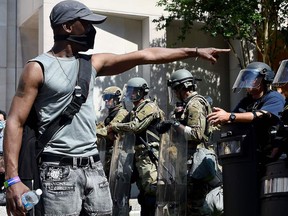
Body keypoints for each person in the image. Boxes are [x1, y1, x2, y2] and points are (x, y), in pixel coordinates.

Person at [3, 0, 230, 215]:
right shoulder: (38, 68)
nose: (92, 29)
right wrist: (13, 181)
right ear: (68, 27)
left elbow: (146, 54)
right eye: (87, 23)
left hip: (94, 166)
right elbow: (15, 122)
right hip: (57, 170)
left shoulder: (91, 63)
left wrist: (194, 51)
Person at [156, 69, 222, 215]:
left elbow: (196, 134)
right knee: (185, 206)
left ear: (182, 87)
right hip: (186, 161)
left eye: (174, 89)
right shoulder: (186, 104)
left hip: (196, 163)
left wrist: (175, 124)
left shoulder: (195, 105)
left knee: (194, 206)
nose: (173, 93)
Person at [108, 77, 165, 216]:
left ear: (141, 92)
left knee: (151, 193)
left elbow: (135, 126)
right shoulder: (136, 110)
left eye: (133, 92)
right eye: (129, 91)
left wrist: (114, 127)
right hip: (138, 156)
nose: (130, 95)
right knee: (144, 196)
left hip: (149, 156)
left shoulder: (149, 107)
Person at [207, 62, 285, 160]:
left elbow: (261, 114)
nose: (248, 81)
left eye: (252, 78)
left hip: (272, 157)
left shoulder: (274, 97)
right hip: (249, 154)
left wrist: (230, 116)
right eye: (247, 77)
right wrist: (221, 117)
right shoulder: (246, 101)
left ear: (264, 79)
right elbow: (233, 118)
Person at [96, 86, 128, 178]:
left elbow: (108, 129)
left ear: (117, 99)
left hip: (118, 155)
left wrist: (92, 132)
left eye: (108, 98)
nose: (106, 101)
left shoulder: (122, 113)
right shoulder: (110, 114)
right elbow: (101, 127)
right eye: (105, 98)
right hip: (109, 154)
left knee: (116, 182)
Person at [0, 110, 6, 205]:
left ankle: (5, 190)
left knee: (5, 177)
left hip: (4, 157)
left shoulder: (7, 133)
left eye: (0, 121)